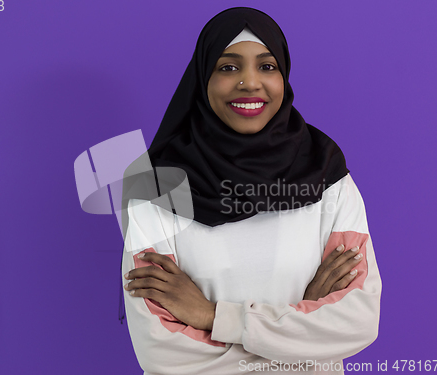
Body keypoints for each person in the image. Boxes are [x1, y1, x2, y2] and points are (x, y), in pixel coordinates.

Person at [120, 7, 381, 375]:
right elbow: (161, 352)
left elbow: (358, 321)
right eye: (228, 67)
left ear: (284, 76)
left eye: (267, 66)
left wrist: (212, 316)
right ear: (203, 77)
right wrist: (301, 341)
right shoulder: (155, 183)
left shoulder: (326, 175)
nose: (250, 82)